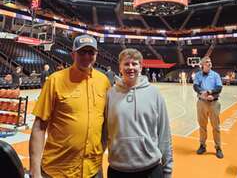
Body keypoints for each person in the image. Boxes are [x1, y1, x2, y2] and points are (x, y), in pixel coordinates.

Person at [29, 34, 110, 178]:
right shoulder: (55, 80)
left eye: (91, 52)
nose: (86, 56)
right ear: (73, 54)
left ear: (96, 55)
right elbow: (39, 126)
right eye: (82, 52)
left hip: (92, 169)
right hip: (58, 171)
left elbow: (105, 124)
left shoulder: (103, 81)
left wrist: (100, 152)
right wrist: (35, 171)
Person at [106, 48, 173, 178]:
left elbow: (164, 134)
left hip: (151, 169)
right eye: (126, 64)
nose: (130, 67)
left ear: (141, 67)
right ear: (120, 67)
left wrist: (168, 168)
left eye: (134, 64)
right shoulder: (110, 94)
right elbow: (103, 133)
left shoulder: (155, 94)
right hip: (118, 169)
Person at [193, 56, 224, 158]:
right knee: (202, 126)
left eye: (210, 61)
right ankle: (202, 145)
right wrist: (202, 93)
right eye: (207, 62)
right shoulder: (198, 75)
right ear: (202, 65)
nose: (209, 63)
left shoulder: (215, 75)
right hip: (202, 103)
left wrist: (210, 93)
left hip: (214, 103)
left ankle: (218, 147)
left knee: (216, 127)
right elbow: (195, 86)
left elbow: (219, 87)